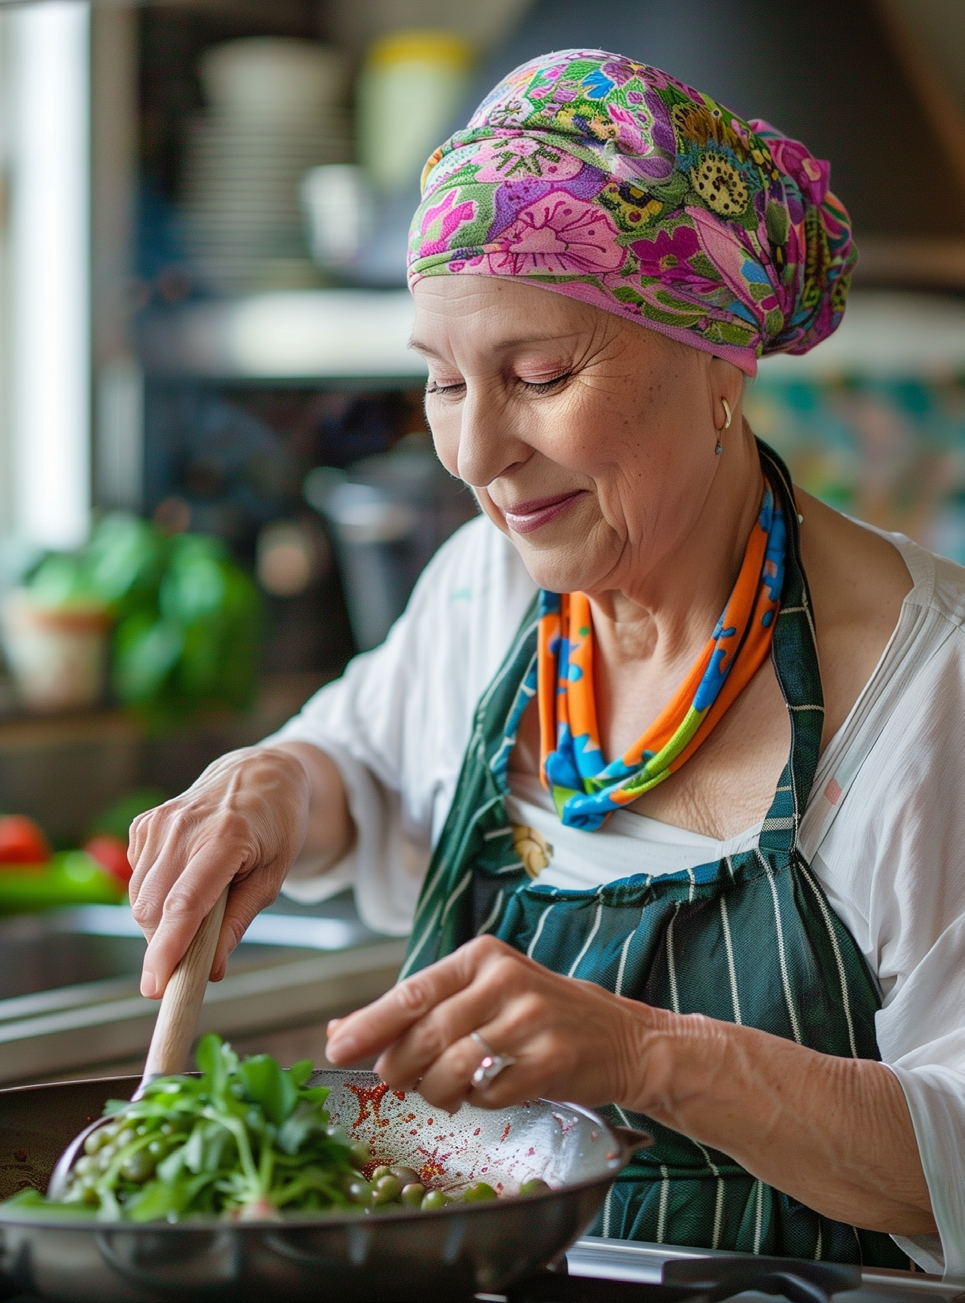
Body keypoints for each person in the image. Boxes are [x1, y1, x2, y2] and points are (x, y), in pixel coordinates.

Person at [128, 50, 965, 1272]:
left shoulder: (929, 690)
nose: (474, 453)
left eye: (537, 376)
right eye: (440, 380)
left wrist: (644, 1056)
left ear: (716, 360)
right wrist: (274, 784)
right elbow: (360, 768)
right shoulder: (488, 589)